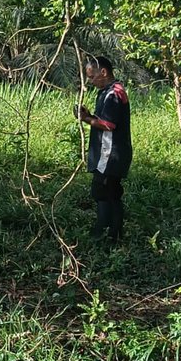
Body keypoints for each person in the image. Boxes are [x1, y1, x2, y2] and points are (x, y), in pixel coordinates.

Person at [75, 55, 132, 243]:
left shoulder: (114, 93)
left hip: (110, 154)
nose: (90, 81)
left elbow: (108, 125)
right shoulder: (108, 91)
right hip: (111, 153)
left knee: (102, 191)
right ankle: (113, 234)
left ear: (104, 72)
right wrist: (90, 116)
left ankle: (104, 233)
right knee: (111, 192)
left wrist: (86, 119)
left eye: (92, 77)